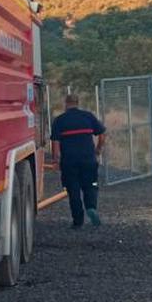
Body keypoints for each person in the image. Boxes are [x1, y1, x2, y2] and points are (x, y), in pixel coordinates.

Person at [50, 94, 106, 228]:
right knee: (91, 185)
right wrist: (98, 150)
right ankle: (91, 208)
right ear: (77, 103)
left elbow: (55, 143)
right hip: (88, 160)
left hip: (69, 162)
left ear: (66, 103)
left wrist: (56, 160)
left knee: (73, 190)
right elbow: (102, 135)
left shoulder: (59, 120)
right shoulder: (88, 116)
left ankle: (78, 221)